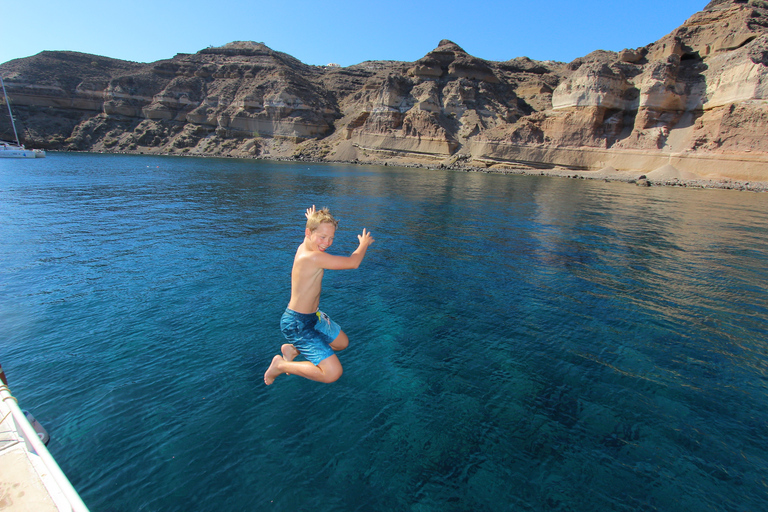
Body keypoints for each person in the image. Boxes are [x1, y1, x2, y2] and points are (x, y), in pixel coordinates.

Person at [264, 205, 374, 385]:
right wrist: (363, 244)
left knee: (342, 343)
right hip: (296, 323)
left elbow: (313, 229)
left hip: (314, 316)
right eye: (323, 237)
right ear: (308, 232)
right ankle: (280, 365)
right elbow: (353, 263)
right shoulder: (312, 258)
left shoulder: (306, 244)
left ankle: (292, 350)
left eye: (331, 238)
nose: (327, 243)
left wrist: (312, 217)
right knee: (332, 373)